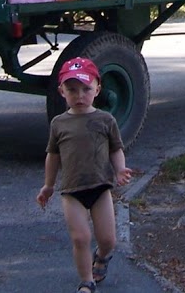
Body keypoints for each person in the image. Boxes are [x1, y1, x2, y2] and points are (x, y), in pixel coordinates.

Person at [37, 57, 132, 293]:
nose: (79, 95)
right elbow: (52, 156)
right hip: (72, 191)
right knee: (80, 238)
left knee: (108, 240)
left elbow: (115, 149)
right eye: (72, 89)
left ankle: (102, 256)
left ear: (97, 89)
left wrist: (120, 169)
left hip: (100, 188)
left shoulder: (105, 119)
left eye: (86, 89)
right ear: (62, 91)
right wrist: (48, 185)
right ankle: (86, 281)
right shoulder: (59, 123)